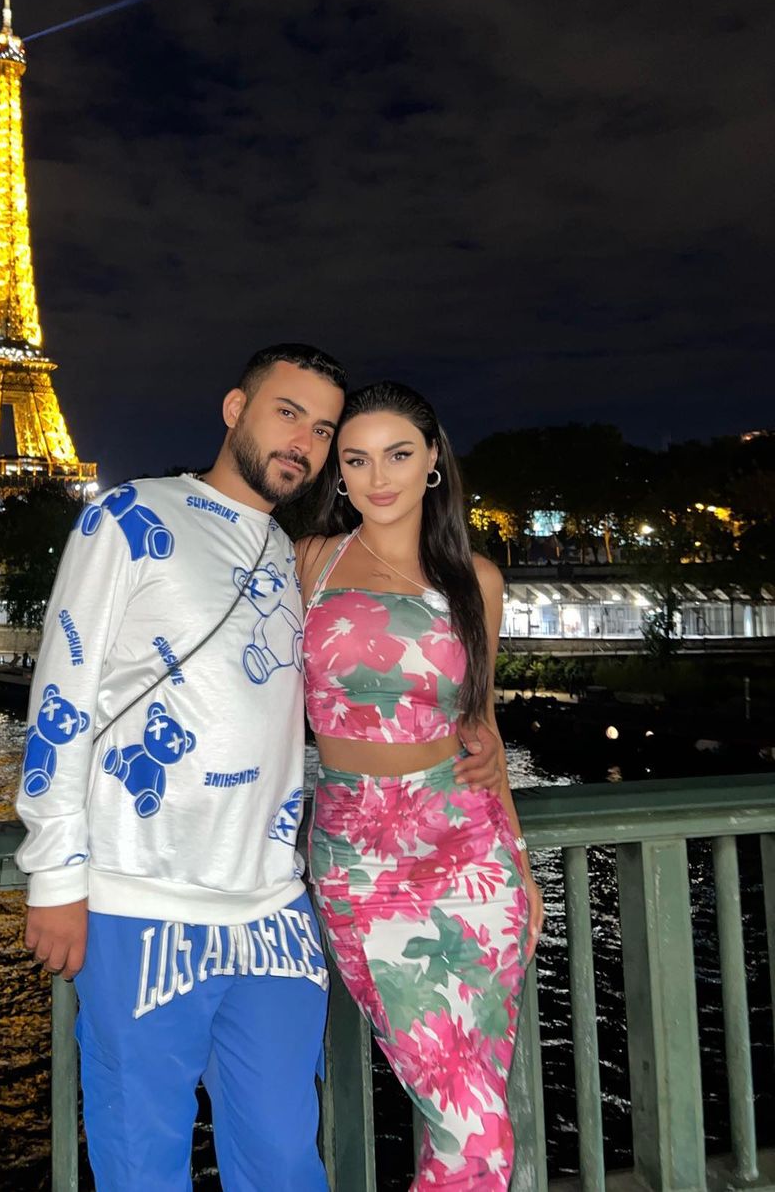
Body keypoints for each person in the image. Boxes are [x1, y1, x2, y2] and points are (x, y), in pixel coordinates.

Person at [16, 347, 505, 1190]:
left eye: (322, 429)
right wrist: (54, 873)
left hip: (274, 907)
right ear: (234, 407)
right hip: (141, 898)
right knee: (142, 1162)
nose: (303, 441)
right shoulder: (132, 515)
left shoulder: (294, 554)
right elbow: (64, 691)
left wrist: (476, 736)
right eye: (288, 413)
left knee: (283, 1158)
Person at [298, 380, 543, 1192]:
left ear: (433, 458)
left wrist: (521, 863)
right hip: (358, 856)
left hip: (470, 851)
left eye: (398, 454)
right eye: (357, 459)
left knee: (475, 1118)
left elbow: (482, 726)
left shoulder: (478, 579)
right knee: (468, 1121)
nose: (378, 477)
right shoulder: (310, 561)